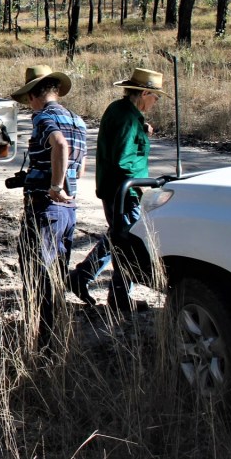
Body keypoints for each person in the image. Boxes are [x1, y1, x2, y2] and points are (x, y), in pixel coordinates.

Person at [68, 68, 165, 312]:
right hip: (125, 192)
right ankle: (120, 298)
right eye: (156, 97)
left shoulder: (122, 110)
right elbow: (123, 159)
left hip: (116, 189)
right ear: (144, 92)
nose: (156, 102)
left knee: (117, 237)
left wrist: (143, 130)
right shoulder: (127, 118)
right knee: (128, 241)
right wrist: (143, 188)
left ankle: (83, 277)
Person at [10, 65, 87, 352]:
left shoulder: (44, 118)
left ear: (33, 95)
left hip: (46, 206)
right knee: (56, 272)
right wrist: (66, 184)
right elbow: (81, 164)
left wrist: (54, 184)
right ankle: (54, 336)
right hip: (69, 210)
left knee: (36, 272)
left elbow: (60, 145)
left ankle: (40, 341)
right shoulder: (77, 120)